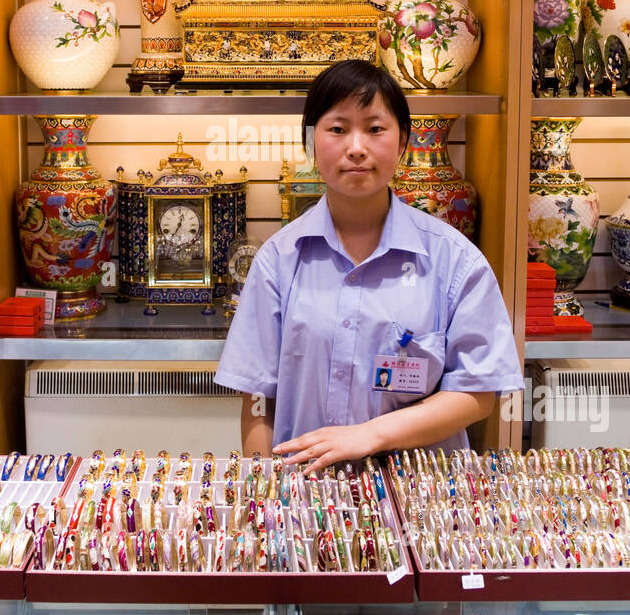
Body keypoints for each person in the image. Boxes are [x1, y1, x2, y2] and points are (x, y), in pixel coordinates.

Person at [214, 59, 523, 474]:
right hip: (309, 502)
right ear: (310, 143)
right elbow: (257, 401)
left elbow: (478, 394)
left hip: (421, 505)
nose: (356, 147)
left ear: (402, 143)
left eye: (375, 129)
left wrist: (372, 434)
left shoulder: (453, 260)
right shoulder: (278, 262)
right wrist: (265, 496)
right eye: (338, 129)